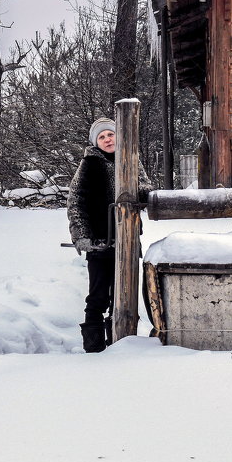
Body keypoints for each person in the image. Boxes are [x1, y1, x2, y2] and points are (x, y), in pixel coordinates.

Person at [66, 116, 152, 353]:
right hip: (99, 242)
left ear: (119, 136)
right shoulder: (89, 164)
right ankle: (94, 348)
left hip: (127, 239)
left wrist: (137, 189)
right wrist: (81, 235)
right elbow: (75, 201)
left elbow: (146, 189)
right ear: (96, 142)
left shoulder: (131, 160)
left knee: (123, 295)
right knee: (98, 295)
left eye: (110, 134)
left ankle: (119, 343)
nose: (107, 139)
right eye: (102, 137)